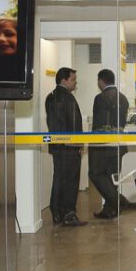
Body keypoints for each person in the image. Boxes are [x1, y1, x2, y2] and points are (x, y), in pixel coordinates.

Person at [45, 67, 87, 227]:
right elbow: (74, 124)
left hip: (57, 147)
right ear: (64, 80)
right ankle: (69, 214)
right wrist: (79, 144)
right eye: (73, 80)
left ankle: (57, 213)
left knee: (59, 179)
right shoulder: (68, 98)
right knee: (70, 180)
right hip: (69, 147)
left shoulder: (50, 96)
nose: (76, 83)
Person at [89, 69, 130, 219]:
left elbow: (99, 124)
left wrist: (93, 144)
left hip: (103, 145)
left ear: (101, 81)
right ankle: (110, 210)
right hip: (119, 144)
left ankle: (119, 201)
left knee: (95, 173)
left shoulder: (100, 98)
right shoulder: (123, 98)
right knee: (111, 177)